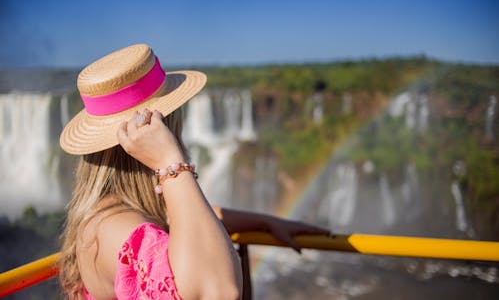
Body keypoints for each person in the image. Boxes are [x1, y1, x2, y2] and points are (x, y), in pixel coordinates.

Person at [58, 44, 329, 300]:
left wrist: (266, 223)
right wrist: (169, 161)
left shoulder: (109, 214)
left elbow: (183, 220)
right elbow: (219, 291)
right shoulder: (118, 231)